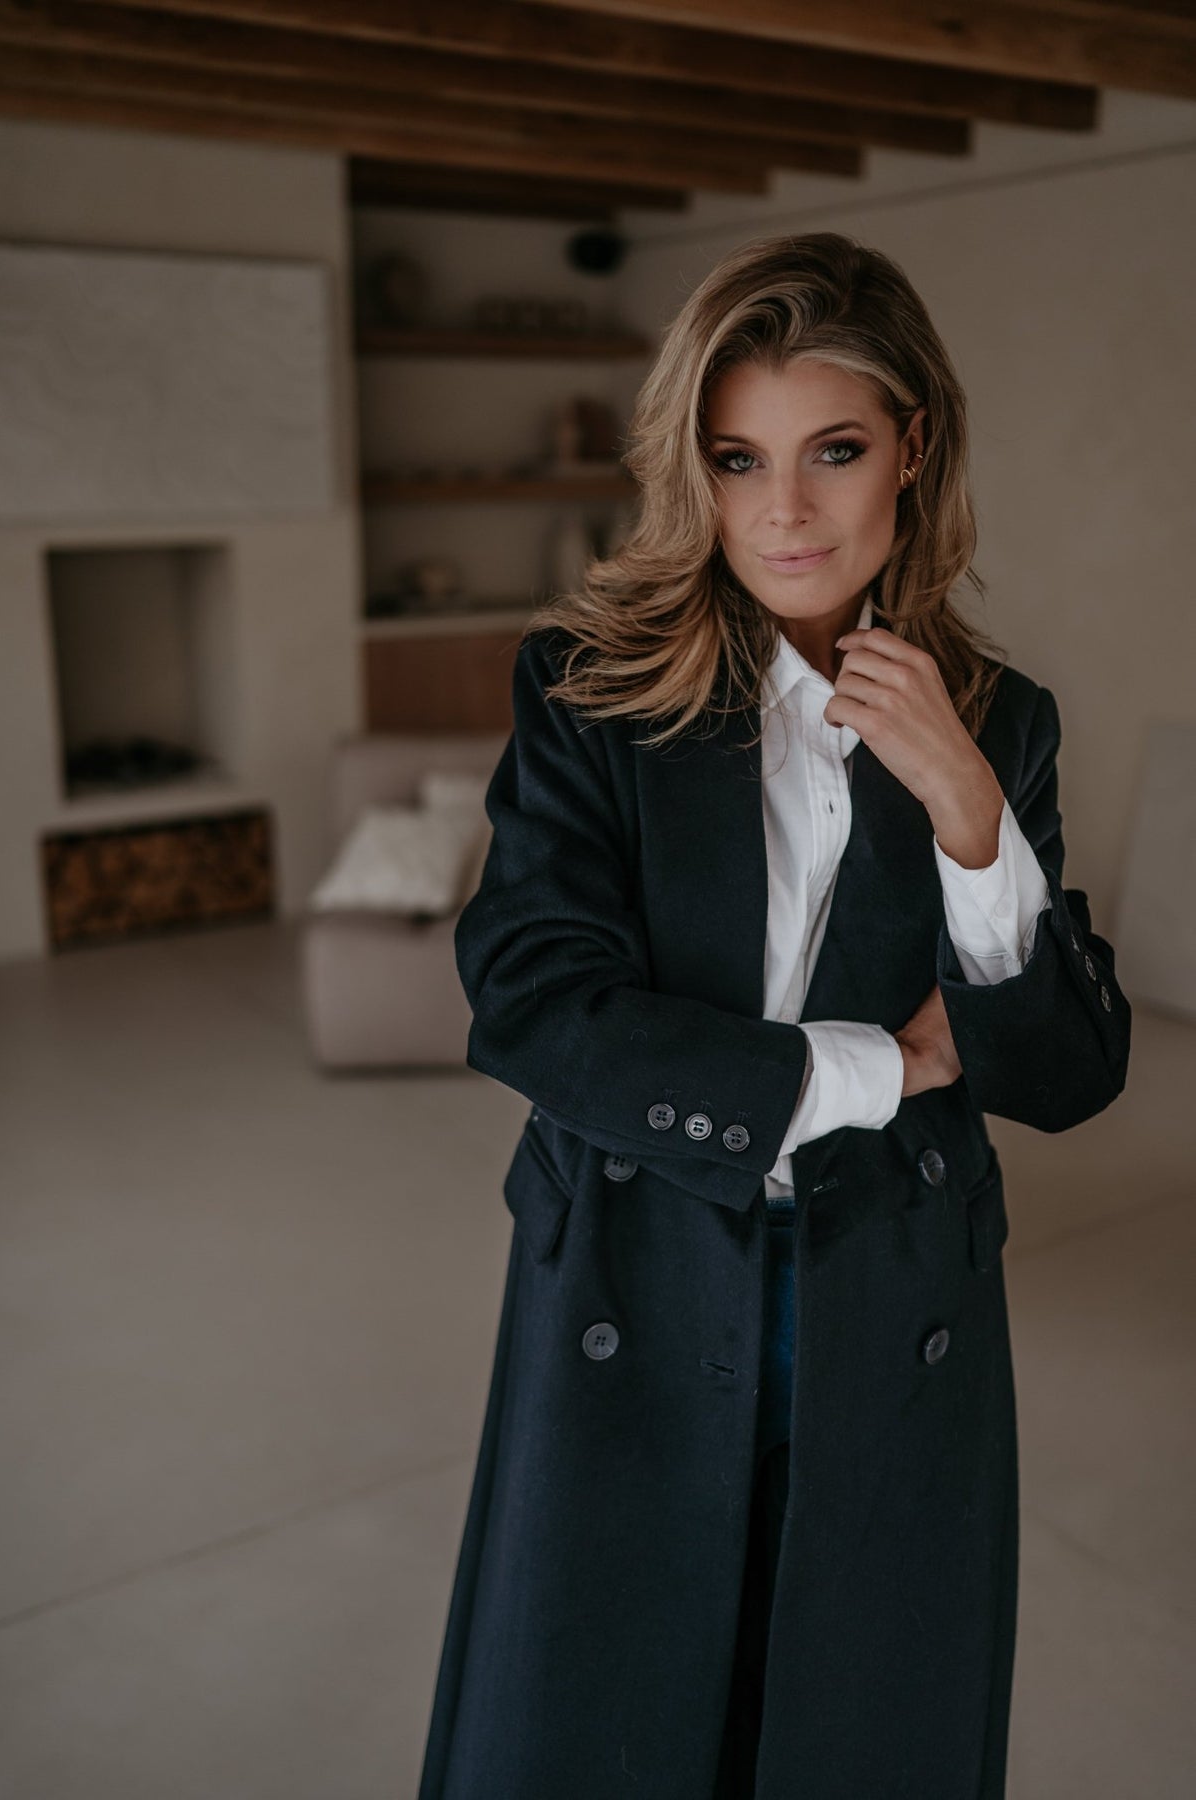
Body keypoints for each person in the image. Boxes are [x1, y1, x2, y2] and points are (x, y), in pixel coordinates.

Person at [416, 231, 1131, 1800]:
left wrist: (966, 812)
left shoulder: (996, 721)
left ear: (911, 449)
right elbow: (531, 1004)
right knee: (599, 1723)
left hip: (891, 1285)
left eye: (833, 451)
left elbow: (1068, 1073)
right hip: (640, 1258)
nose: (783, 510)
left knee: (851, 1725)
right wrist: (878, 1065)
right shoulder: (592, 686)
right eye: (737, 458)